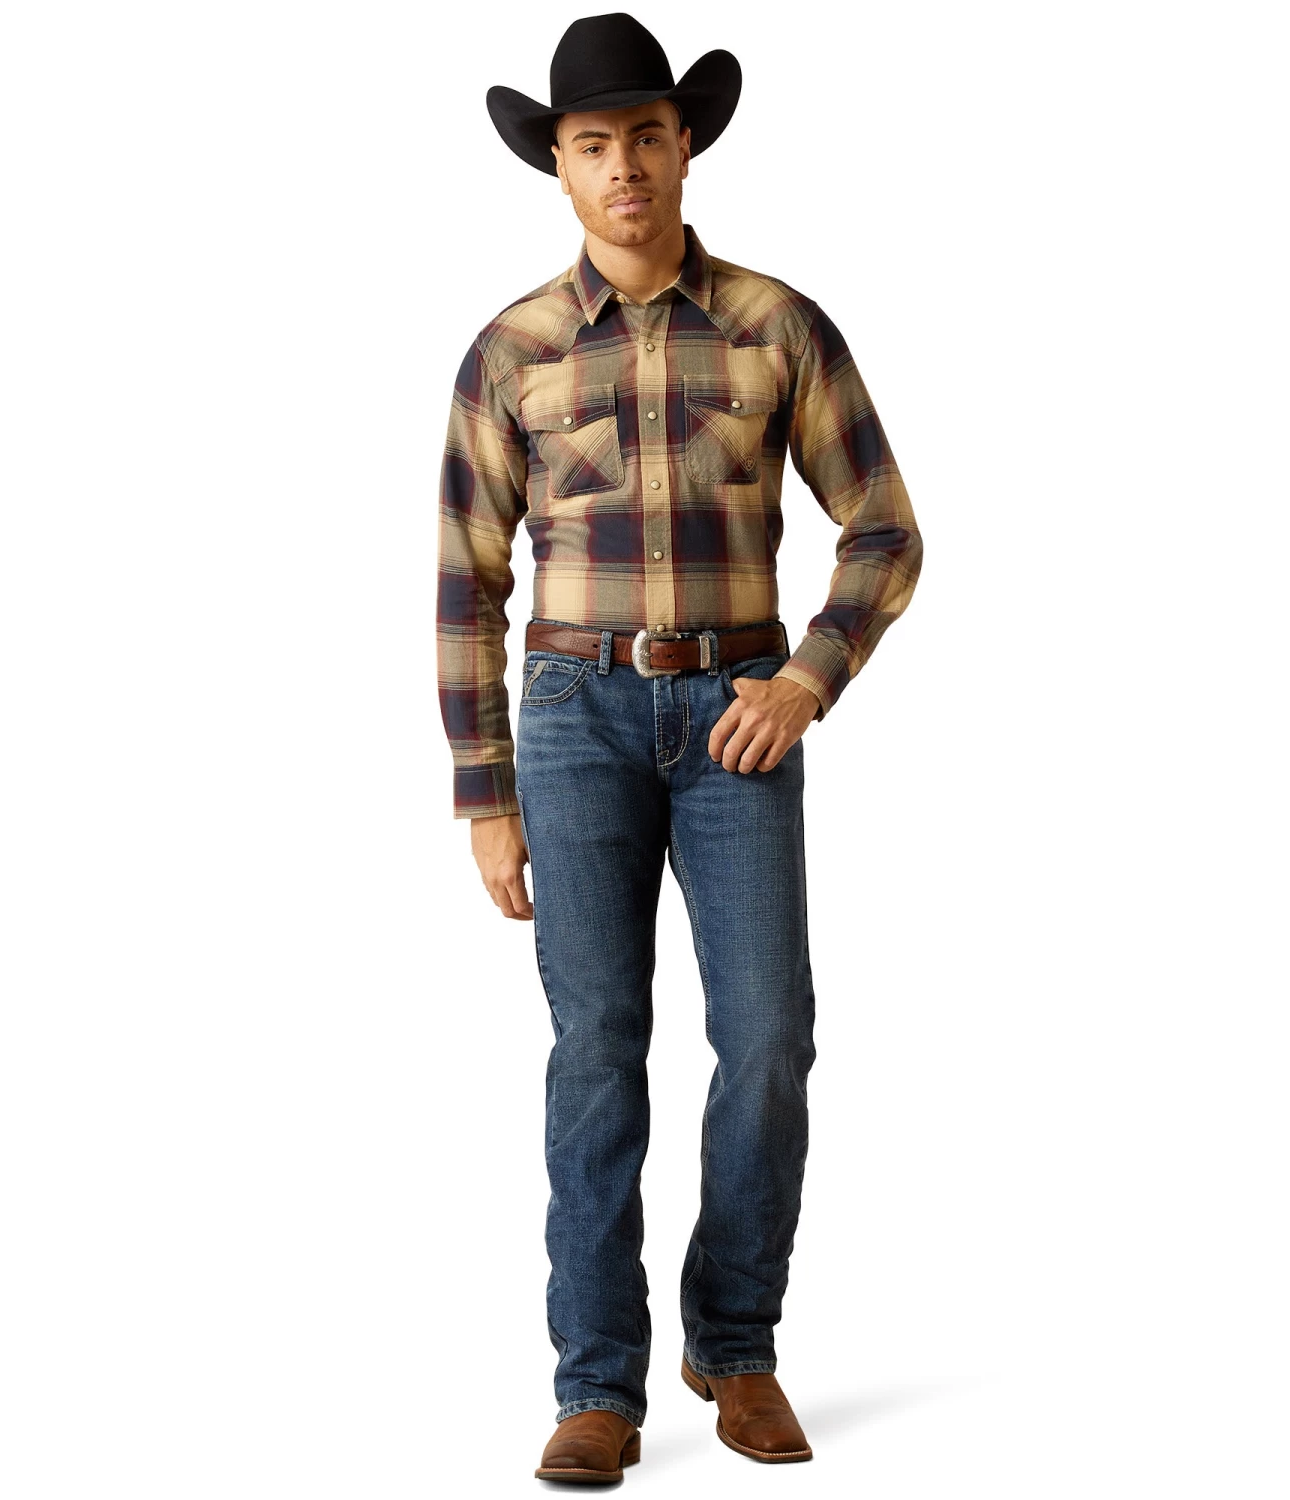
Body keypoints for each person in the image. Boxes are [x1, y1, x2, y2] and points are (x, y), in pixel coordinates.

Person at [437, 12, 923, 1482]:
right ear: (560, 166)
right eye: (594, 144)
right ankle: (598, 1384)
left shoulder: (780, 325)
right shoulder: (510, 351)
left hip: (738, 723)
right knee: (596, 1050)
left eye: (647, 135)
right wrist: (484, 796)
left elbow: (884, 527)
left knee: (769, 1037)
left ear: (686, 143)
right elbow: (467, 580)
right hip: (572, 721)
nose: (625, 167)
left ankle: (736, 1342)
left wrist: (809, 680)